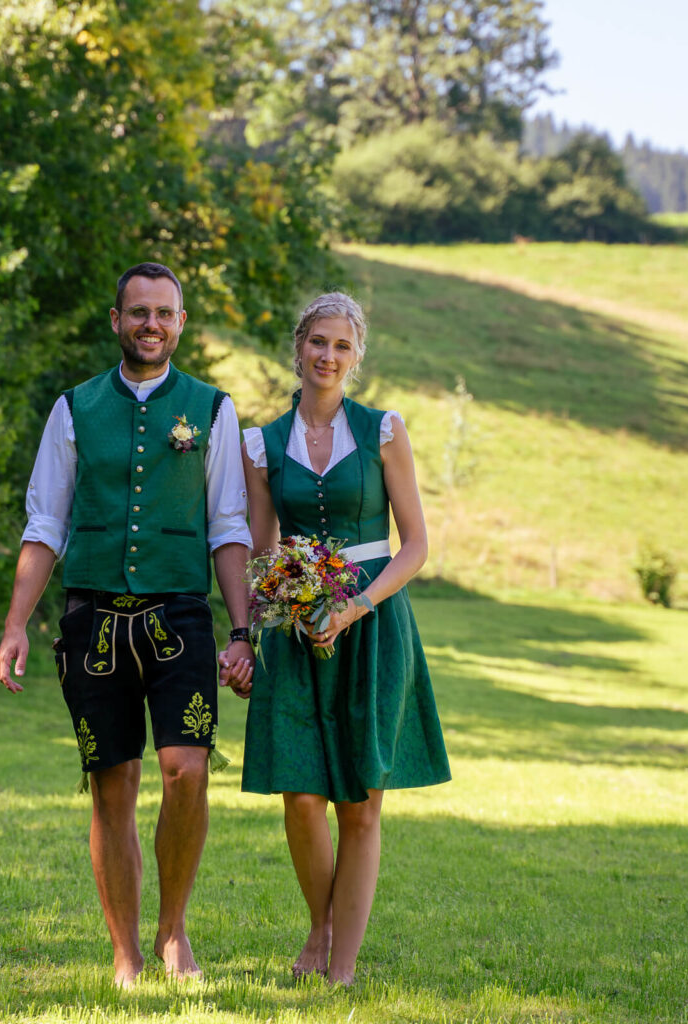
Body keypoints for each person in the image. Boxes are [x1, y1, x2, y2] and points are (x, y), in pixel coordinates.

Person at [0, 262, 254, 987]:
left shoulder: (212, 409)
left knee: (187, 772)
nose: (151, 324)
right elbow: (45, 523)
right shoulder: (74, 408)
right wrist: (16, 624)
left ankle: (174, 932)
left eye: (164, 313)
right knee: (112, 783)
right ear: (116, 320)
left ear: (181, 323)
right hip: (93, 621)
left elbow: (229, 526)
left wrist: (242, 631)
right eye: (138, 312)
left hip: (180, 616)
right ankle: (125, 953)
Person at [229, 292, 450, 985]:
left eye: (342, 346)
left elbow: (415, 547)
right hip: (296, 628)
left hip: (374, 624)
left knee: (360, 800)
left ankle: (341, 967)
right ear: (298, 347)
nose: (328, 356)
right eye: (318, 342)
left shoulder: (384, 430)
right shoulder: (261, 444)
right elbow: (260, 553)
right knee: (301, 796)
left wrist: (355, 605)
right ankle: (319, 927)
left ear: (357, 357)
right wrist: (252, 632)